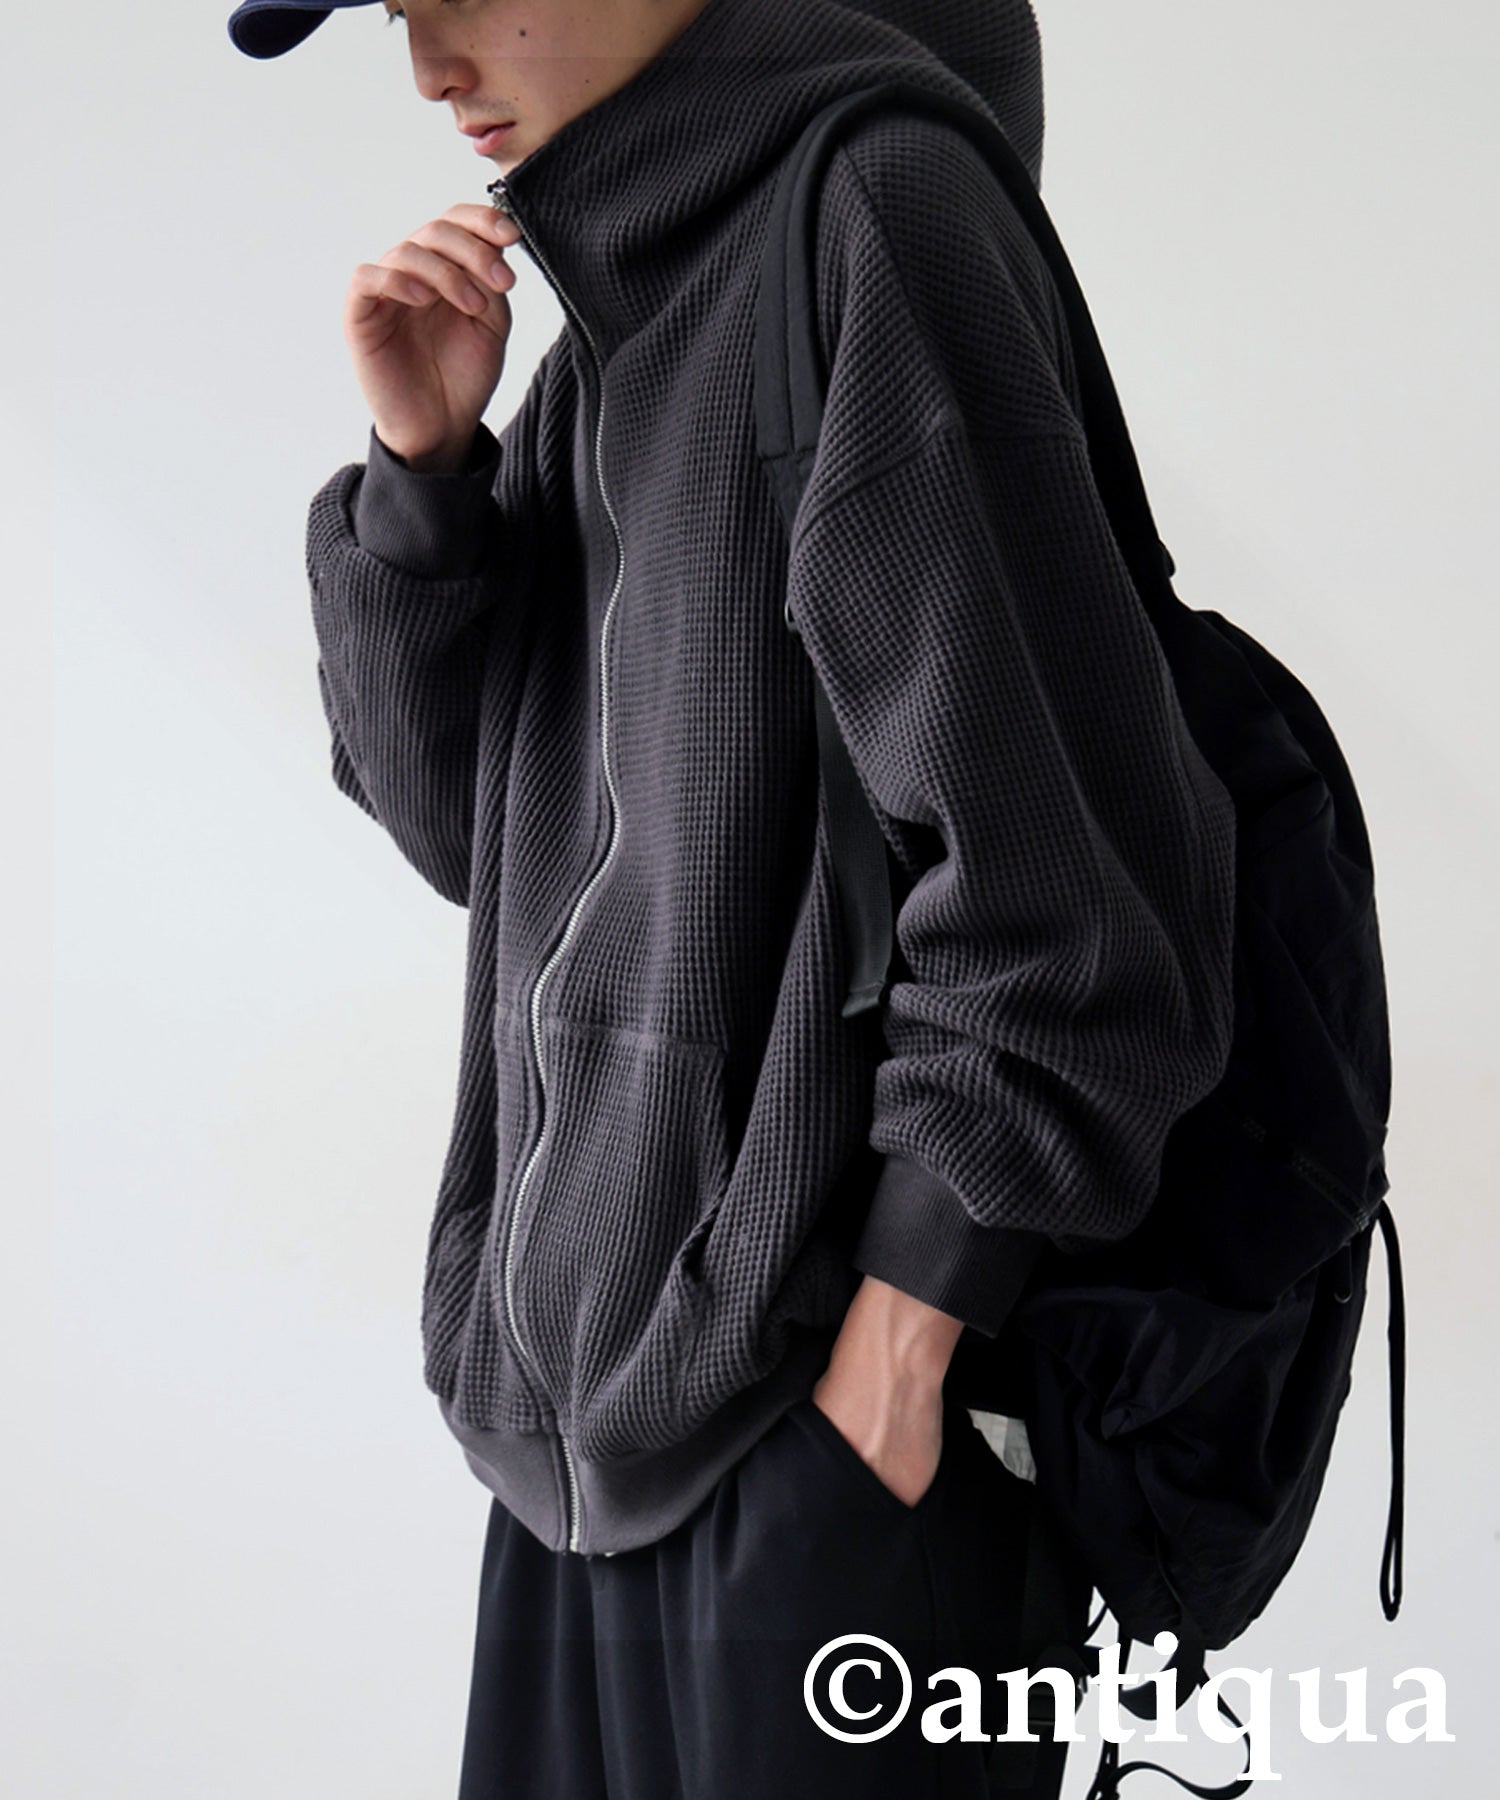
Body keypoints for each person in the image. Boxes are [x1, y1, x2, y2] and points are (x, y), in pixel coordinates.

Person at [227, 1, 1238, 1795]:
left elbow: (1065, 893)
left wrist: (891, 1375)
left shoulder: (877, 216)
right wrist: (426, 482)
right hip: (582, 1465)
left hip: (813, 1465)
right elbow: (478, 835)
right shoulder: (619, 320)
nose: (428, 66)